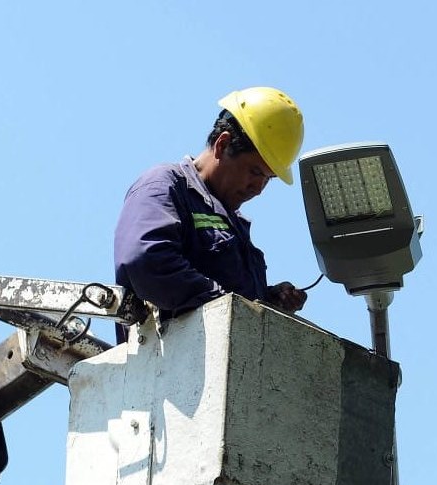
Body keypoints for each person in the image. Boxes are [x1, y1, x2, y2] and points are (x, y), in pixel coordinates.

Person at [114, 87, 308, 341]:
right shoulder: (165, 186)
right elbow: (147, 261)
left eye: (268, 179)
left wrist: (267, 301)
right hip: (171, 361)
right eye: (255, 172)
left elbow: (237, 304)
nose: (259, 189)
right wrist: (230, 306)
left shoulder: (233, 223)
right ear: (222, 144)